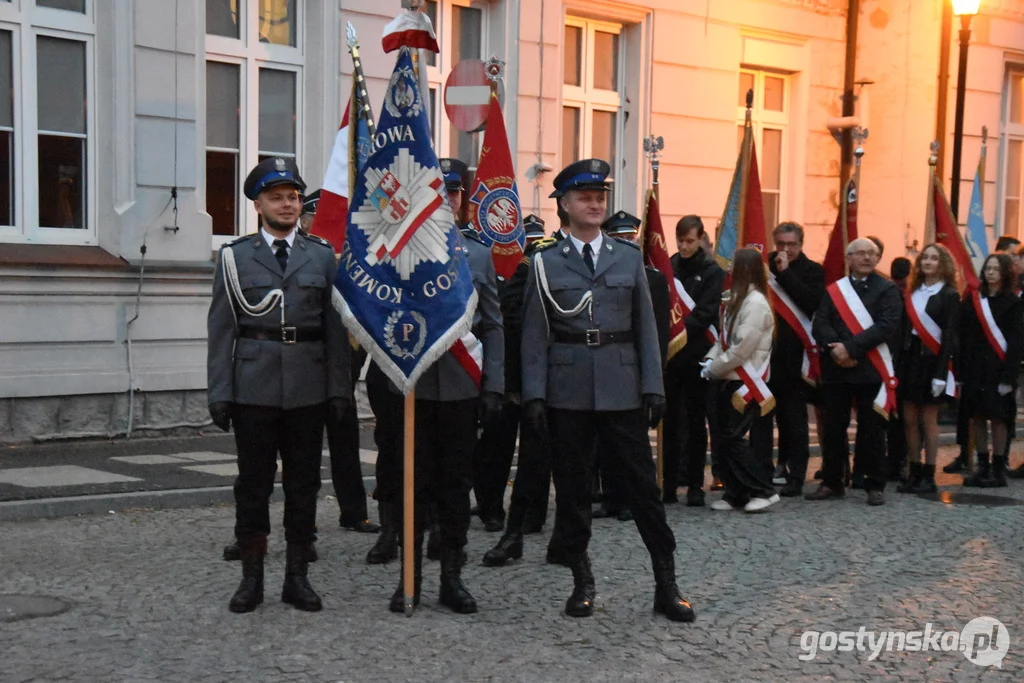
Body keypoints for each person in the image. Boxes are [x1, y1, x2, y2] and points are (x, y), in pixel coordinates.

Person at [520, 158, 694, 622]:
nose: (595, 204)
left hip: (621, 388)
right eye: (585, 197)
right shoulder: (544, 262)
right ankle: (582, 581)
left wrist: (653, 385)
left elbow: (646, 328)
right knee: (574, 492)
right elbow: (535, 335)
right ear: (564, 205)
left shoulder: (627, 257)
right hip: (568, 390)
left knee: (643, 490)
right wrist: (535, 394)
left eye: (600, 197)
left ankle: (666, 583)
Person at [207, 157, 351, 613]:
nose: (287, 205)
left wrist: (339, 390)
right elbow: (222, 329)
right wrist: (220, 391)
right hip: (253, 386)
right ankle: (252, 579)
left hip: (308, 386)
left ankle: (297, 577)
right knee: (253, 485)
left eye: (293, 197)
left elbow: (335, 331)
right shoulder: (234, 257)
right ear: (258, 204)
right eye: (277, 197)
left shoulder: (322, 255)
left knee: (304, 485)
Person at [376, 159, 505, 614]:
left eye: (453, 192)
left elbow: (492, 325)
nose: (447, 200)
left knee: (455, 488)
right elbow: (382, 314)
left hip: (460, 388)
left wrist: (494, 386)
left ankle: (452, 577)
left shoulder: (478, 254)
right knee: (410, 484)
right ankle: (408, 578)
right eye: (438, 192)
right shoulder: (399, 252)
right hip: (410, 387)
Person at [481, 215, 563, 567]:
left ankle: (540, 523)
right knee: (513, 451)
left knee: (549, 458)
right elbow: (512, 327)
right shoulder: (528, 269)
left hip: (565, 380)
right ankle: (506, 520)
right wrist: (511, 384)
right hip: (525, 381)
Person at [299, 189, 380, 534]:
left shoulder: (351, 255)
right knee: (301, 447)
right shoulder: (301, 254)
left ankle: (353, 510)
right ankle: (301, 521)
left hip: (345, 352)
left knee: (344, 435)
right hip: (305, 358)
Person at [807, 238, 901, 506]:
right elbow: (820, 322)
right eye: (861, 253)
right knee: (834, 429)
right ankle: (833, 482)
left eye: (872, 253)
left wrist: (850, 348)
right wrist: (835, 349)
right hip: (837, 370)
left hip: (870, 369)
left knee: (872, 430)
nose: (867, 258)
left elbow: (887, 325)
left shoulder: (887, 290)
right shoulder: (835, 290)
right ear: (849, 258)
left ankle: (874, 484)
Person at [590, 210, 671, 522]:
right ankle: (612, 498)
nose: (627, 242)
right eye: (620, 237)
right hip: (606, 366)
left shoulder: (653, 278)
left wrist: (653, 378)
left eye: (631, 237)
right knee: (605, 444)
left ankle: (635, 501)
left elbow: (657, 332)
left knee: (632, 445)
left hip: (634, 368)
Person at [749, 222, 824, 498]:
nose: (785, 249)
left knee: (794, 422)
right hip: (763, 356)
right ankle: (762, 473)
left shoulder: (813, 271)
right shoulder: (762, 266)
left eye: (791, 244)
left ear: (801, 244)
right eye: (780, 243)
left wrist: (785, 273)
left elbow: (810, 302)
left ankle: (796, 476)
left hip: (794, 360)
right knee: (762, 421)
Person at [702, 248, 779, 512]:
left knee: (734, 438)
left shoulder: (755, 303)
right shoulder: (737, 300)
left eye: (735, 265)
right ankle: (736, 493)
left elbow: (741, 348)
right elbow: (723, 341)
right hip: (728, 377)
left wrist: (715, 368)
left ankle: (763, 490)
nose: (730, 269)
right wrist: (709, 361)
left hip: (745, 382)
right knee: (723, 440)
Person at [664, 216, 726, 506]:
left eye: (689, 240)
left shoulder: (712, 271)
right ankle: (668, 481)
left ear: (701, 239)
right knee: (672, 421)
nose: (684, 246)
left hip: (698, 354)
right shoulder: (670, 266)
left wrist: (677, 331)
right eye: (680, 240)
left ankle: (695, 485)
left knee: (696, 421)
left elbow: (706, 313)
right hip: (672, 357)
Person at [895, 245, 959, 494]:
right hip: (911, 361)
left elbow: (950, 336)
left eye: (934, 258)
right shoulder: (913, 292)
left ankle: (929, 474)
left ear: (943, 264)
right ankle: (914, 470)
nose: (929, 262)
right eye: (925, 258)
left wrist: (941, 374)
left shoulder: (949, 294)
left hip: (932, 361)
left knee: (929, 420)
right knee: (909, 419)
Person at [958, 253, 1024, 488]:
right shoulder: (974, 300)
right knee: (976, 417)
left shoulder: (1014, 303)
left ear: (1005, 273)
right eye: (988, 268)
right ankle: (982, 466)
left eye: (996, 269)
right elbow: (963, 335)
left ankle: (997, 469)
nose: (991, 272)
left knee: (998, 419)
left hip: (999, 369)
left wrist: (1009, 376)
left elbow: (1016, 342)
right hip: (976, 367)